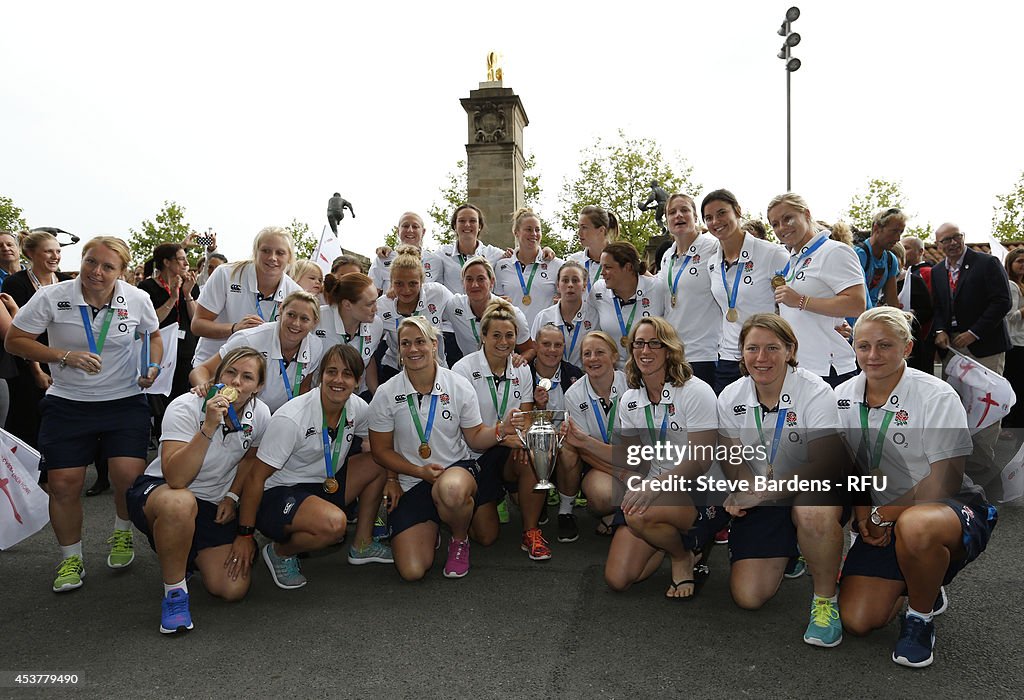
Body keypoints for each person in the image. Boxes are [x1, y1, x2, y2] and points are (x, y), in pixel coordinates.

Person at [836, 307, 997, 668]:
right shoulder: (842, 395)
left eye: (884, 345)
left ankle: (920, 617)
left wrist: (883, 513)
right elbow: (850, 464)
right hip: (882, 510)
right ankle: (921, 574)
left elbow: (944, 481)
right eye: (863, 346)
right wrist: (863, 511)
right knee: (859, 621)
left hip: (946, 504)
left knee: (917, 526)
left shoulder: (937, 395)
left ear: (907, 348)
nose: (872, 355)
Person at [6, 236, 162, 593]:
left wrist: (152, 365)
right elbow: (14, 340)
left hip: (123, 401)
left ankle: (122, 533)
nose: (96, 271)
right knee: (63, 484)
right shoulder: (53, 296)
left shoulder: (137, 299)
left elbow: (152, 335)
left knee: (127, 477)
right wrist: (62, 355)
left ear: (122, 271)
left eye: (108, 266)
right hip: (68, 402)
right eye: (91, 261)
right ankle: (70, 558)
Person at [717, 314, 847, 645]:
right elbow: (734, 459)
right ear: (742, 353)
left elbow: (825, 463)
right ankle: (794, 549)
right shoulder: (730, 397)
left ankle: (825, 600)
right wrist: (741, 489)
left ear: (790, 350)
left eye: (772, 348)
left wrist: (761, 493)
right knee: (748, 596)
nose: (762, 358)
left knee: (812, 513)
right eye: (753, 348)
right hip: (766, 494)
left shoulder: (816, 391)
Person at [125, 347, 270, 633]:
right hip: (163, 491)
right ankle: (175, 593)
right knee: (180, 504)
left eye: (247, 377)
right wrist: (208, 427)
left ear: (258, 387)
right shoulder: (186, 406)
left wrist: (232, 495)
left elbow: (250, 460)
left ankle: (183, 550)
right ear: (218, 374)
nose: (236, 383)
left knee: (232, 588)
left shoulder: (261, 414)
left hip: (212, 501)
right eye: (230, 372)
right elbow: (177, 478)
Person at [367, 317, 520, 580]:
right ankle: (434, 524)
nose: (413, 349)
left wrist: (500, 430)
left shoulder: (458, 385)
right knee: (412, 571)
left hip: (456, 472)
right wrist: (416, 471)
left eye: (420, 342)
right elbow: (381, 451)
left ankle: (459, 540)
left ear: (434, 344)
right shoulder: (385, 393)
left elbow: (474, 438)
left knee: (483, 531)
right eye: (406, 343)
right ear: (399, 350)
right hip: (413, 479)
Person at [231, 344, 392, 590]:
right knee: (334, 526)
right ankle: (280, 552)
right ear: (320, 376)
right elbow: (255, 478)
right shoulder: (291, 418)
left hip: (323, 484)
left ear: (358, 381)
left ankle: (362, 544)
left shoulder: (356, 407)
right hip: (279, 492)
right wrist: (244, 534)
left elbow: (380, 443)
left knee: (379, 460)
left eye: (347, 374)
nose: (338, 380)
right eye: (331, 372)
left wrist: (392, 478)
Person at [605, 317, 719, 599]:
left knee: (639, 513)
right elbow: (635, 458)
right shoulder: (630, 399)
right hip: (657, 486)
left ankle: (682, 557)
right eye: (639, 344)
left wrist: (654, 486)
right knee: (619, 579)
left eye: (654, 343)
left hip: (699, 486)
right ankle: (665, 538)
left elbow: (701, 460)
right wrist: (583, 443)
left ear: (669, 349)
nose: (646, 350)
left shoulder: (696, 391)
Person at [452, 299, 544, 559]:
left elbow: (525, 417)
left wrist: (524, 441)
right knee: (486, 537)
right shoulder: (463, 369)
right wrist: (504, 437)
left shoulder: (521, 368)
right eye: (496, 335)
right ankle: (474, 505)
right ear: (482, 336)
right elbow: (464, 430)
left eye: (509, 336)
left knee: (535, 452)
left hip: (508, 449)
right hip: (474, 453)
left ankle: (531, 532)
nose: (504, 342)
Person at [931, 222, 1011, 489]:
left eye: (956, 237)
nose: (952, 243)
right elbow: (939, 307)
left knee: (987, 406)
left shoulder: (987, 263)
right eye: (945, 240)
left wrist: (974, 332)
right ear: (938, 245)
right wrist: (940, 330)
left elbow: (1002, 301)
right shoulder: (937, 271)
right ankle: (964, 468)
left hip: (984, 348)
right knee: (959, 406)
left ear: (963, 238)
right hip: (954, 350)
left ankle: (984, 473)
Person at [766, 193, 866, 387]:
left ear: (806, 214)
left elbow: (856, 304)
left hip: (828, 368)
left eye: (788, 218)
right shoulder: (794, 259)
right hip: (799, 365)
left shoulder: (834, 251)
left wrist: (800, 300)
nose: (782, 228)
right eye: (775, 224)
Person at [703, 189, 789, 394]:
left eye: (722, 213)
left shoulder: (772, 254)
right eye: (709, 217)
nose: (716, 221)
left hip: (765, 356)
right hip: (729, 357)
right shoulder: (712, 262)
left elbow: (793, 302)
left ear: (737, 211)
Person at [191, 291, 322, 414]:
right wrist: (204, 388)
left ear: (314, 322)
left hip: (276, 419)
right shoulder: (249, 339)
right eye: (291, 315)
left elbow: (303, 388)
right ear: (281, 311)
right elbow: (201, 370)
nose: (296, 323)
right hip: (236, 415)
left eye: (304, 319)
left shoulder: (315, 347)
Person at [191, 226, 302, 367]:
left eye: (280, 253)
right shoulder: (226, 274)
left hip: (254, 376)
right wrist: (234, 328)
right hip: (212, 368)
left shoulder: (294, 294)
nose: (272, 258)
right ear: (256, 252)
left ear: (290, 258)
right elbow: (197, 325)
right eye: (265, 250)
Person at [559, 332, 628, 543]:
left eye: (600, 352)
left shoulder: (632, 385)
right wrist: (618, 472)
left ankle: (619, 516)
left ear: (614, 356)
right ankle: (568, 510)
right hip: (597, 463)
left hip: (633, 458)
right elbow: (582, 447)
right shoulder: (573, 394)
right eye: (587, 354)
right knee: (603, 496)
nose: (593, 358)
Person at [658, 193, 720, 387]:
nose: (678, 215)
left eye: (685, 210)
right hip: (673, 354)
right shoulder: (667, 256)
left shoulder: (714, 248)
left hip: (705, 354)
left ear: (695, 217)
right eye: (672, 212)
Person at [137, 243, 201, 428]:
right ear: (166, 262)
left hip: (185, 351)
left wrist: (187, 294)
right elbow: (150, 321)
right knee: (160, 401)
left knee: (184, 397)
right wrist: (172, 298)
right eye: (181, 259)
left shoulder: (189, 284)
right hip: (161, 351)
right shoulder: (147, 287)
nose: (186, 263)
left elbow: (195, 319)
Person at [376, 246, 453, 383]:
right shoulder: (382, 306)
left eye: (413, 284)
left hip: (437, 370)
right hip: (396, 370)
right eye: (399, 284)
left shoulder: (438, 293)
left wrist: (502, 302)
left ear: (422, 282)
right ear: (391, 282)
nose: (406, 290)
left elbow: (465, 304)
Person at [441, 257, 533, 367]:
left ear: (492, 281)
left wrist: (520, 359)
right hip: (469, 372)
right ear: (463, 283)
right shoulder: (454, 306)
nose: (475, 285)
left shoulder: (511, 313)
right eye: (469, 279)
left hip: (502, 372)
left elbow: (530, 349)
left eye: (481, 279)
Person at [592, 242, 665, 367]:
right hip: (614, 374)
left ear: (628, 267)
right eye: (601, 267)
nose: (602, 273)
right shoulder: (598, 290)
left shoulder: (658, 289)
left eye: (608, 267)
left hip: (650, 370)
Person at [316, 272, 383, 398]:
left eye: (376, 301)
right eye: (369, 304)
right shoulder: (317, 320)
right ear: (347, 304)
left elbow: (369, 359)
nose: (376, 309)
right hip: (318, 396)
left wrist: (376, 395)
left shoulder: (376, 325)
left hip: (354, 397)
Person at [493, 208, 563, 328]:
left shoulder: (556, 265)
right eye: (528, 229)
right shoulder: (502, 266)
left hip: (546, 336)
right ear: (516, 232)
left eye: (537, 230)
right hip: (514, 336)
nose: (534, 234)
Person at [529, 261, 597, 371]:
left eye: (575, 280)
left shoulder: (595, 317)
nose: (570, 285)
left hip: (585, 378)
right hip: (551, 381)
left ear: (584, 286)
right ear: (558, 286)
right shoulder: (543, 317)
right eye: (565, 280)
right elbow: (534, 350)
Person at [436, 204, 507, 294]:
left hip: (483, 307)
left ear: (480, 226)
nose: (467, 224)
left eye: (473, 221)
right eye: (462, 221)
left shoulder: (494, 254)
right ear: (454, 226)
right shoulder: (441, 254)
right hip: (454, 307)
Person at [368, 212, 443, 294]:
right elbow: (371, 294)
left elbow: (440, 294)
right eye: (405, 226)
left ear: (423, 232)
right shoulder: (383, 258)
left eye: (415, 227)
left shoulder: (435, 261)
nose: (410, 230)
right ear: (398, 231)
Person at [891, 242, 935, 375]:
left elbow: (928, 311)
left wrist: (911, 314)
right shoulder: (875, 280)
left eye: (894, 257)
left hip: (911, 341)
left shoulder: (914, 280)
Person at [855, 207, 905, 308]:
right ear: (876, 228)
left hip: (870, 318)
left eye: (901, 232)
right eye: (894, 231)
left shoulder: (890, 260)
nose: (898, 238)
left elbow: (892, 301)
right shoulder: (858, 254)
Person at [529, 322, 583, 415]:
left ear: (563, 348)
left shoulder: (575, 375)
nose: (552, 350)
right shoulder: (524, 373)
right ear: (535, 346)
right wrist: (537, 407)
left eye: (558, 345)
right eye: (546, 344)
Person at [569, 205, 619, 294]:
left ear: (601, 230)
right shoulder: (573, 261)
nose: (579, 233)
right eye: (579, 227)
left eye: (584, 227)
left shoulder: (621, 258)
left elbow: (650, 281)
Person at [1003, 248, 1024, 430]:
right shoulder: (1011, 285)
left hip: (1020, 340)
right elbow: (1009, 316)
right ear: (1010, 264)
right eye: (1020, 261)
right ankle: (1012, 424)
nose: (1023, 266)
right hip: (1015, 342)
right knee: (1016, 383)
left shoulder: (1020, 284)